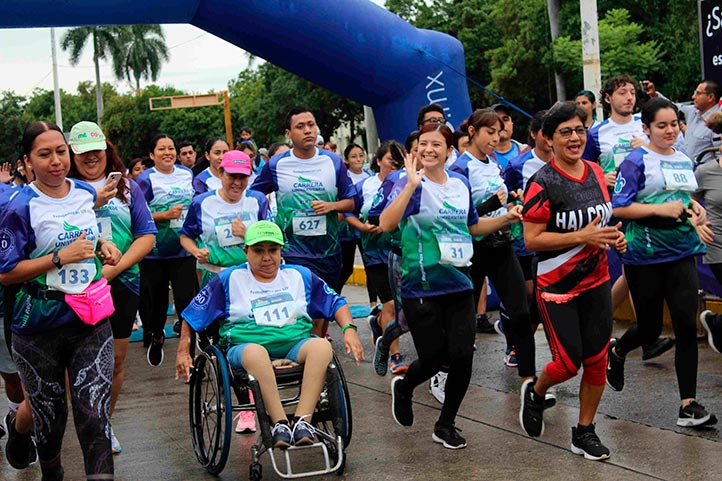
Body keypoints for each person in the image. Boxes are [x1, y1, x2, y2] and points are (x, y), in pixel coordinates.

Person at [380, 123, 522, 450]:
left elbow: (472, 227)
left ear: (448, 151)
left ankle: (445, 423)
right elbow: (386, 224)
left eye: (436, 144)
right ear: (415, 151)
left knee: (461, 358)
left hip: (459, 284)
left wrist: (507, 218)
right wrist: (410, 186)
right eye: (423, 145)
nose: (429, 149)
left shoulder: (459, 183)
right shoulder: (408, 183)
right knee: (431, 360)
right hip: (421, 287)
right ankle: (405, 386)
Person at [0, 120, 123, 480]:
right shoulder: (19, 205)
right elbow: (6, 273)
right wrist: (58, 258)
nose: (55, 161)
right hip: (38, 324)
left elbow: (86, 231)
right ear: (27, 162)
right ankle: (38, 453)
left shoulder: (85, 192)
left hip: (89, 318)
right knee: (50, 422)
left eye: (60, 152)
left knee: (94, 415)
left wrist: (103, 245)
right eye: (44, 154)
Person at [176, 220, 363, 448]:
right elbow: (192, 314)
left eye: (273, 250)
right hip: (245, 347)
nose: (267, 257)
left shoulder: (299, 275)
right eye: (258, 251)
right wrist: (183, 351)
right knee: (257, 353)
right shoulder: (229, 279)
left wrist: (349, 330)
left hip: (295, 344)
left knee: (322, 347)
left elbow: (335, 302)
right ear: (245, 251)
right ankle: (279, 423)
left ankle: (303, 421)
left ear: (281, 251)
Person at [519, 102, 626, 461]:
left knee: (596, 359)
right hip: (557, 286)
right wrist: (583, 236)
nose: (575, 137)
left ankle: (584, 431)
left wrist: (614, 237)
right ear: (548, 140)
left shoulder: (596, 172)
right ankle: (535, 391)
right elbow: (532, 240)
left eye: (580, 130)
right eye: (565, 132)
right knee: (567, 364)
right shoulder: (542, 183)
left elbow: (603, 222)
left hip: (596, 280)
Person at [607, 97, 718, 428]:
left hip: (683, 252)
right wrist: (658, 210)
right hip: (646, 255)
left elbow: (686, 198)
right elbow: (620, 208)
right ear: (646, 128)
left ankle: (689, 405)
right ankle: (618, 351)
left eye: (673, 125)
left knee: (685, 325)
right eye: (661, 125)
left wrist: (695, 212)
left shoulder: (683, 159)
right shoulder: (635, 161)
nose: (669, 131)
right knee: (652, 327)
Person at [67, 121, 157, 455]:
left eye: (96, 150)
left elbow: (146, 236)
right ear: (73, 154)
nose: (91, 157)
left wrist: (113, 270)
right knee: (73, 363)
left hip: (122, 284)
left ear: (106, 150)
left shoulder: (129, 188)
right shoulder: (64, 189)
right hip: (73, 287)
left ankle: (104, 422)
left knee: (115, 363)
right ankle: (79, 420)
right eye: (83, 152)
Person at [584, 74, 673, 360]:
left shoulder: (645, 126)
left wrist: (645, 147)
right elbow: (583, 169)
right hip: (617, 208)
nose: (629, 97)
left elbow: (669, 154)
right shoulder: (597, 133)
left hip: (648, 205)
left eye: (632, 92)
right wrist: (601, 178)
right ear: (608, 98)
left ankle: (624, 329)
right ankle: (643, 335)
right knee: (631, 268)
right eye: (622, 92)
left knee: (631, 270)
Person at [250, 107, 355, 336]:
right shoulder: (277, 164)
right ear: (289, 133)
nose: (308, 130)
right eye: (300, 126)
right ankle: (310, 350)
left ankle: (318, 345)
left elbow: (350, 202)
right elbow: (254, 196)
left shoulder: (333, 161)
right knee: (306, 306)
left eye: (311, 124)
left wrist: (332, 206)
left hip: (328, 250)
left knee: (325, 307)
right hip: (294, 249)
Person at [452, 109, 535, 375]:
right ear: (473, 132)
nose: (495, 139)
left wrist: (514, 204)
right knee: (464, 324)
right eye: (490, 133)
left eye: (499, 133)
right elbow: (462, 219)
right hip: (473, 251)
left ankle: (528, 379)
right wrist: (493, 205)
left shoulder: (493, 164)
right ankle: (448, 371)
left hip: (501, 245)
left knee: (521, 313)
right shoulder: (459, 168)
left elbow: (501, 202)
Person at [345, 141, 408, 375]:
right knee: (391, 304)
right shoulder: (365, 186)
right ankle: (395, 356)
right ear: (379, 160)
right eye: (390, 158)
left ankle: (377, 320)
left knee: (402, 308)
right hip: (374, 254)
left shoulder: (406, 183)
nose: (394, 163)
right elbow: (347, 212)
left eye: (399, 159)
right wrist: (362, 226)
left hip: (400, 253)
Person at [136, 134, 196, 367]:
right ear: (152, 155)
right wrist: (164, 215)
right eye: (162, 149)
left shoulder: (186, 174)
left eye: (171, 148)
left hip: (183, 248)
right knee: (158, 304)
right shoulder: (145, 179)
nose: (168, 152)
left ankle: (187, 347)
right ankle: (157, 335)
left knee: (184, 300)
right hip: (155, 252)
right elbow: (137, 216)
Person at [645, 79, 721, 164]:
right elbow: (671, 107)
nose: (693, 97)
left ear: (710, 97)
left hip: (706, 174)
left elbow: (719, 156)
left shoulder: (718, 122)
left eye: (698, 93)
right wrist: (655, 95)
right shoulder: (693, 111)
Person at [338, 144, 370, 298]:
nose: (358, 159)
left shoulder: (370, 177)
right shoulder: (343, 178)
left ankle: (373, 304)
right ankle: (334, 297)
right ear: (346, 160)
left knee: (370, 266)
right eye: (353, 156)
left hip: (366, 228)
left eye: (361, 155)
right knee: (346, 268)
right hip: (346, 230)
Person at [490, 103, 529, 170]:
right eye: (496, 120)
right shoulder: (482, 156)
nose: (502, 124)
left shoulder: (527, 152)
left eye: (505, 119)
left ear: (512, 124)